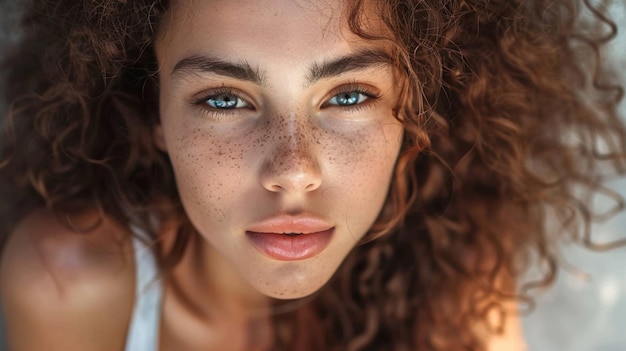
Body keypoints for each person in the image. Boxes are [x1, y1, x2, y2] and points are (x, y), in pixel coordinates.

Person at [0, 0, 624, 350]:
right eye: (224, 100)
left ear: (412, 119)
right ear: (153, 111)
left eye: (348, 96)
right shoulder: (69, 279)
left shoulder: (457, 280)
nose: (293, 173)